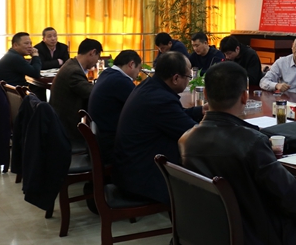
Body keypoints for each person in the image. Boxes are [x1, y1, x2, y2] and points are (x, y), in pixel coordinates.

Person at [179, 61, 296, 245]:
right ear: (244, 96)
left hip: (210, 239)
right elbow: (287, 191)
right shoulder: (251, 142)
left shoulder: (186, 140)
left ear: (206, 95)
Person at [113, 51, 203, 204]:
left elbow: (175, 116)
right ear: (175, 78)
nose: (189, 81)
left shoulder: (150, 86)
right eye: (188, 77)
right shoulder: (161, 99)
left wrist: (200, 111)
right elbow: (194, 136)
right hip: (143, 179)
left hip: (131, 168)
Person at [87, 50, 142, 165]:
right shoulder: (120, 81)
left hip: (103, 138)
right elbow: (141, 105)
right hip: (111, 145)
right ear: (131, 64)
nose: (138, 73)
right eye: (139, 69)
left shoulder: (107, 73)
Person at [49, 38, 103, 148]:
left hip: (61, 121)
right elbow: (93, 94)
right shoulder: (74, 71)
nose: (97, 61)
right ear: (92, 52)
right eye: (98, 56)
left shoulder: (71, 64)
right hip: (69, 128)